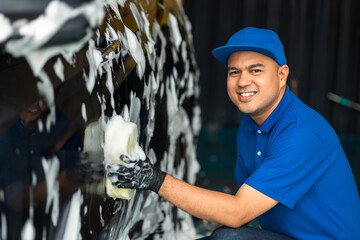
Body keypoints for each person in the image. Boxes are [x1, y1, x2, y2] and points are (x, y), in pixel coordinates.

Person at [108, 27, 360, 239]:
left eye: (256, 70)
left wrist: (153, 179)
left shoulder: (303, 135)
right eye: (234, 72)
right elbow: (240, 215)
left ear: (282, 75)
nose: (242, 81)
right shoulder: (250, 126)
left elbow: (237, 212)